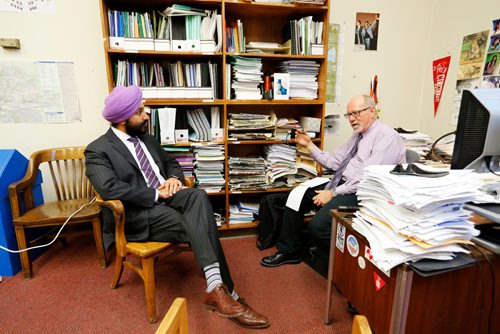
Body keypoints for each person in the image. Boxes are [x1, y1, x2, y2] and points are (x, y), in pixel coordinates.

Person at [85, 85, 269, 329]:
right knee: (199, 223)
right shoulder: (98, 149)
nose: (147, 115)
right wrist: (155, 193)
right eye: (140, 111)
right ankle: (227, 293)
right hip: (139, 213)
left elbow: (171, 162)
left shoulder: (147, 139)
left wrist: (173, 179)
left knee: (198, 196)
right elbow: (109, 188)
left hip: (170, 196)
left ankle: (216, 289)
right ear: (122, 119)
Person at [260, 94, 406, 267]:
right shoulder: (358, 136)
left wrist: (334, 193)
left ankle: (343, 263)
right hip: (343, 183)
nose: (351, 119)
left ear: (372, 111)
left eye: (356, 113)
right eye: (349, 115)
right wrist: (309, 145)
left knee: (318, 227)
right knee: (296, 196)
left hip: (364, 193)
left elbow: (366, 178)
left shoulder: (387, 137)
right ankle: (289, 251)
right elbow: (335, 162)